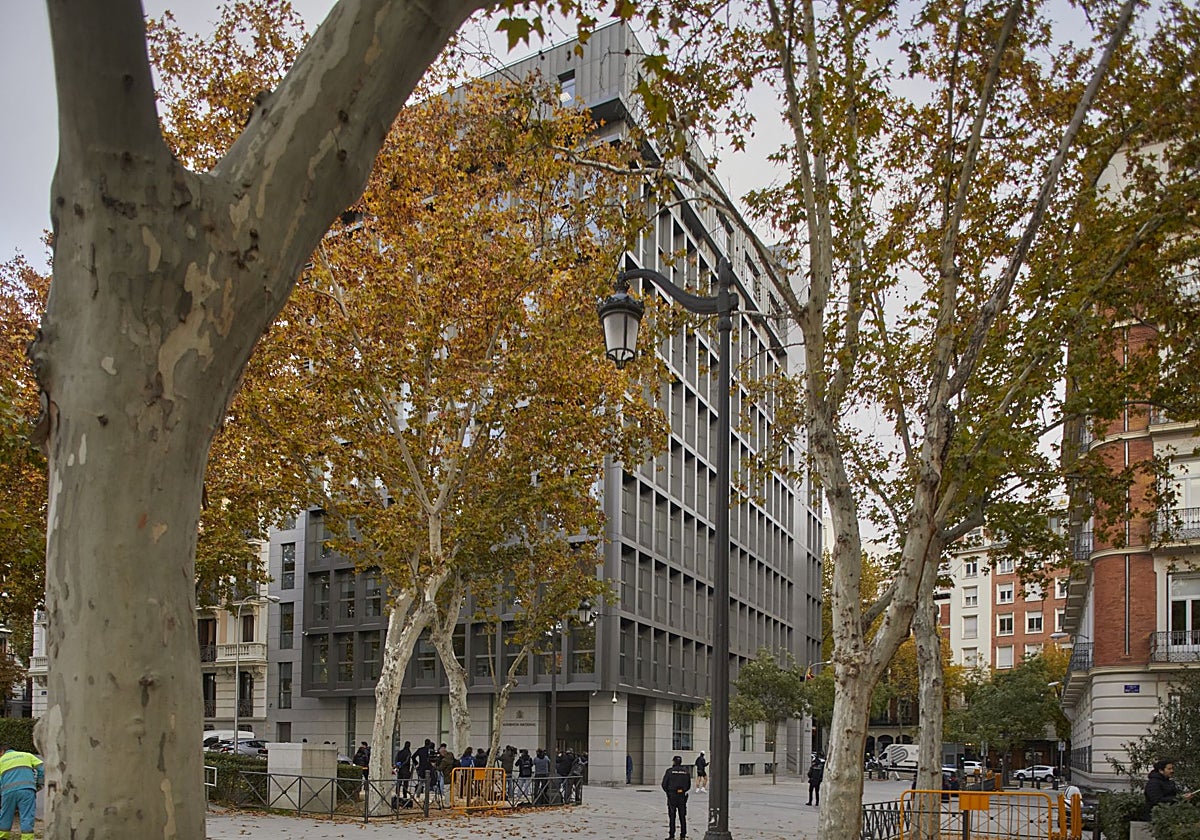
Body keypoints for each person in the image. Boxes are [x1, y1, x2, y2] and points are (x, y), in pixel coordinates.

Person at [0, 741, 44, 840]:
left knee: (5, 815)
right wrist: (39, 784)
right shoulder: (27, 755)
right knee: (27, 815)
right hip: (27, 790)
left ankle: (3, 837)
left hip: (7, 792)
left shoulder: (1, 761)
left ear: (2, 752)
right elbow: (42, 768)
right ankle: (27, 838)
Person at [661, 755, 691, 840]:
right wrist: (683, 790)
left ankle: (672, 835)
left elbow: (664, 784)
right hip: (682, 796)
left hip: (672, 796)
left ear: (674, 762)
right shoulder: (686, 771)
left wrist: (668, 792)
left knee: (672, 816)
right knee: (682, 816)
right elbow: (688, 785)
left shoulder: (670, 771)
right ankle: (683, 835)